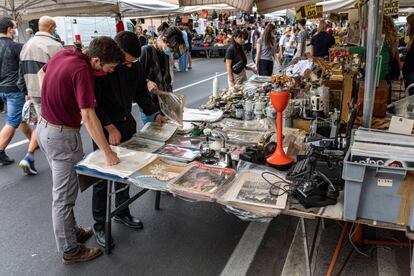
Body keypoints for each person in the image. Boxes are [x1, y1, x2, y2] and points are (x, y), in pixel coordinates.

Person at [36, 36, 123, 264]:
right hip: (62, 136)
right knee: (63, 198)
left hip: (44, 128)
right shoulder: (83, 70)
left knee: (66, 190)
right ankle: (70, 250)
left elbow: (41, 74)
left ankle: (72, 232)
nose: (110, 72)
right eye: (109, 67)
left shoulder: (65, 53)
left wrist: (54, 100)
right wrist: (107, 152)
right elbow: (88, 116)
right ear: (95, 60)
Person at [92, 31, 166, 248]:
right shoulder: (102, 69)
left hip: (127, 123)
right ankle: (99, 223)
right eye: (127, 61)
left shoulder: (136, 65)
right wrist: (109, 125)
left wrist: (155, 114)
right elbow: (93, 104)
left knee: (127, 171)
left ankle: (122, 211)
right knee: (102, 178)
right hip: (105, 128)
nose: (131, 65)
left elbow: (142, 94)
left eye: (134, 62)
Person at [18, 16, 63, 175]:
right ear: (51, 28)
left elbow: (20, 70)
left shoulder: (26, 45)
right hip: (51, 93)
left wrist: (26, 92)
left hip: (33, 92)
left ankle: (31, 156)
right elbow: (61, 74)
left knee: (42, 125)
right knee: (55, 127)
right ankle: (57, 161)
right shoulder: (55, 46)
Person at [0, 17, 32, 165]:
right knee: (13, 120)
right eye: (14, 27)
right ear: (9, 30)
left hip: (1, 88)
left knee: (19, 117)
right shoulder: (17, 47)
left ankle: (33, 141)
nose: (15, 30)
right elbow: (25, 70)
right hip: (14, 89)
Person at [139, 22, 186, 124]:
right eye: (171, 48)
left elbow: (167, 82)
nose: (171, 51)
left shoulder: (166, 54)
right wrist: (146, 82)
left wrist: (174, 104)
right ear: (163, 40)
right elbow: (136, 77)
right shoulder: (146, 51)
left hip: (164, 107)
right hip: (150, 108)